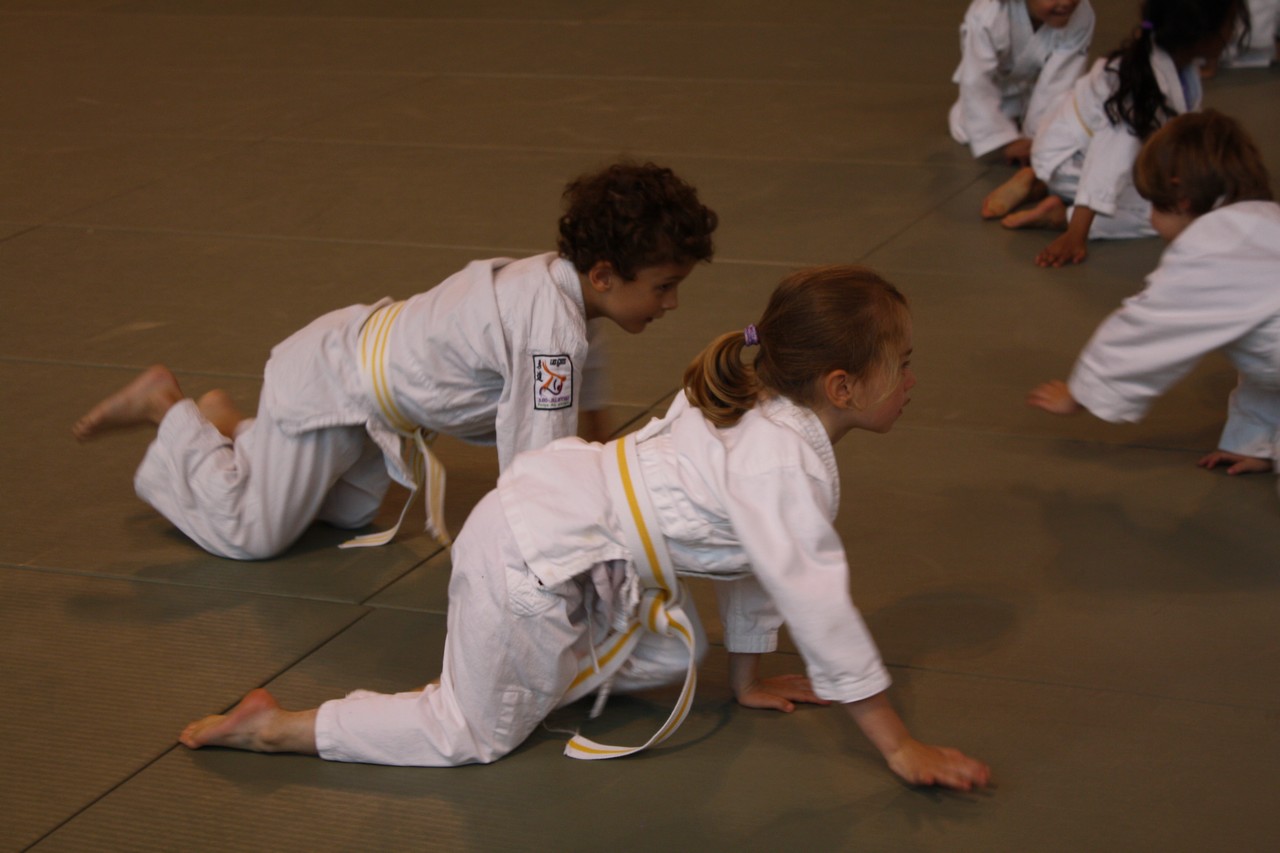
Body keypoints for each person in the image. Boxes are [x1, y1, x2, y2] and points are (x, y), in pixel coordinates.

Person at [180, 266, 992, 792]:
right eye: (904, 362)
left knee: (675, 654)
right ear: (842, 386)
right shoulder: (783, 464)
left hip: (564, 541)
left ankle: (529, 664)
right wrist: (898, 744)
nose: (913, 378)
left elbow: (758, 567)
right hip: (529, 560)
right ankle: (277, 728)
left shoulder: (754, 401)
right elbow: (821, 609)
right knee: (469, 732)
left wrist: (746, 681)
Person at [72, 161, 718, 560]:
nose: (672, 302)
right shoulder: (548, 332)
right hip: (331, 385)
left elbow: (588, 408)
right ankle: (168, 407)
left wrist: (602, 465)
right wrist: (586, 546)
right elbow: (536, 473)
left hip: (364, 381)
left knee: (343, 512)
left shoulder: (564, 288)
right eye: (663, 286)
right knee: (253, 533)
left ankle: (237, 427)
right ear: (604, 274)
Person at [1028, 110, 1280, 477]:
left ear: (1182, 199)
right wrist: (1255, 442)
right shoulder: (1266, 222)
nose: (1148, 219)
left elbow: (1145, 325)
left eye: (1153, 205)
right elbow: (1265, 360)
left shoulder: (1209, 250)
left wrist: (1080, 392)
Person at [982, 0, 1246, 267]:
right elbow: (1107, 162)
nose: (1233, 31)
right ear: (1200, 33)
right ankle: (1061, 215)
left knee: (1202, 192)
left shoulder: (1170, 61)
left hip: (1069, 137)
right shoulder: (1138, 88)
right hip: (1072, 160)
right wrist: (1076, 233)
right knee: (1173, 212)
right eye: (1229, 24)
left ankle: (1038, 184)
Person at [950, 0, 1095, 165]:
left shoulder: (1081, 15)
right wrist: (1005, 142)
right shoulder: (987, 15)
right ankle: (992, 128)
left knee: (1084, 124)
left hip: (1032, 90)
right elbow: (977, 80)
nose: (1067, 2)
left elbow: (1061, 80)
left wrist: (1039, 138)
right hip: (994, 92)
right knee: (969, 126)